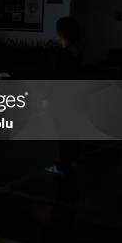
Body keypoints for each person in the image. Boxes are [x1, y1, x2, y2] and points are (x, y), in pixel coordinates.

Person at [46, 16, 83, 175]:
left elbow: (57, 78)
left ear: (61, 32)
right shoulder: (75, 52)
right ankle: (71, 161)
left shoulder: (63, 55)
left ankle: (62, 165)